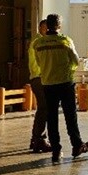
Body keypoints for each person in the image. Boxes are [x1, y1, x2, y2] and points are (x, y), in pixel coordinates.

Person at [30, 13, 88, 163]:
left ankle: (56, 150)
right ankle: (77, 145)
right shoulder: (65, 41)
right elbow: (75, 61)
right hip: (65, 83)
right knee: (71, 117)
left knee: (52, 118)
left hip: (48, 84)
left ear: (47, 25)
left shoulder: (39, 44)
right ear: (59, 26)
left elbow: (38, 63)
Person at [26, 19, 52, 153]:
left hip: (40, 78)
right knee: (44, 109)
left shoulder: (39, 41)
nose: (47, 31)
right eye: (45, 28)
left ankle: (36, 139)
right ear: (40, 28)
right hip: (39, 78)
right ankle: (39, 139)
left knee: (42, 109)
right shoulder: (38, 42)